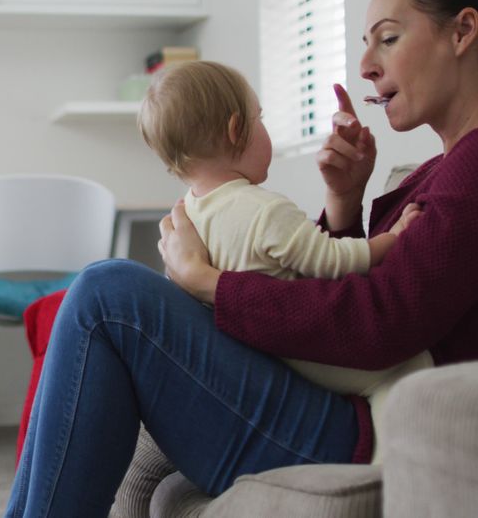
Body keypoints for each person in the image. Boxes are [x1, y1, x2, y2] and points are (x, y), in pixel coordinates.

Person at [6, 0, 478, 517]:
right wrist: (345, 201)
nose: (366, 64)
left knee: (108, 296)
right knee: (99, 296)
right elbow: (370, 287)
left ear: (464, 32)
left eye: (387, 38)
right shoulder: (461, 164)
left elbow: (380, 325)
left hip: (372, 433)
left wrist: (207, 282)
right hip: (351, 408)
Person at [138, 59, 430, 411]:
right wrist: (393, 238)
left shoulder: (186, 217)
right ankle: (388, 460)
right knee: (412, 367)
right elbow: (330, 261)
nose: (264, 128)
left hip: (259, 359)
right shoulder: (265, 211)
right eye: (259, 118)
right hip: (311, 355)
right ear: (235, 129)